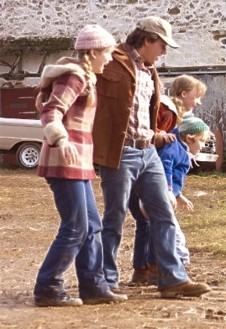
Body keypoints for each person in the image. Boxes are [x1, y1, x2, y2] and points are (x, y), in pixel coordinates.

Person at [92, 16, 210, 298]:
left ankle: (171, 279)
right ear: (146, 39)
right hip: (120, 153)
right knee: (114, 217)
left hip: (147, 151)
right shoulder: (112, 60)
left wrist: (156, 135)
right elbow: (93, 100)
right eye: (162, 45)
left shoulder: (150, 70)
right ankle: (105, 281)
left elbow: (143, 114)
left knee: (164, 212)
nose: (164, 52)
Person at [33, 24, 128, 307]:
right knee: (75, 226)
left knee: (92, 225)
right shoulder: (75, 78)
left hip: (79, 162)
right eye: (108, 53)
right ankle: (48, 286)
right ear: (92, 52)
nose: (110, 58)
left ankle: (93, 286)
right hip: (64, 161)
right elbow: (51, 111)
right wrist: (61, 140)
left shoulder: (88, 77)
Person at [130, 75, 207, 284]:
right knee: (160, 222)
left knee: (146, 223)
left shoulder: (173, 121)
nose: (198, 101)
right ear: (183, 94)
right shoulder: (168, 112)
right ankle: (162, 269)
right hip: (145, 173)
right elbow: (162, 159)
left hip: (140, 171)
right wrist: (167, 189)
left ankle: (143, 270)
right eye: (197, 96)